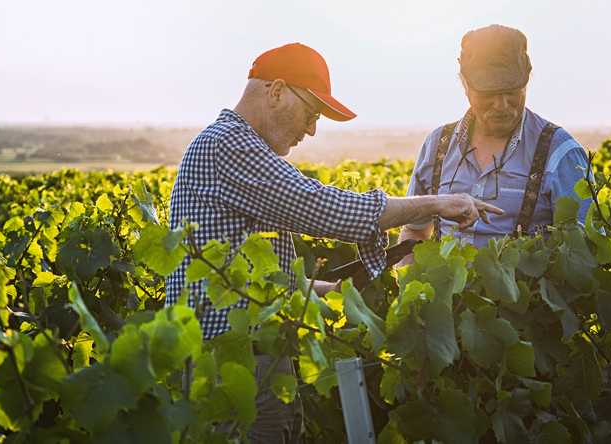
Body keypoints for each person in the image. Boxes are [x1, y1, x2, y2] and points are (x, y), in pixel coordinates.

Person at [165, 43, 503, 444]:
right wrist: (436, 204)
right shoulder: (229, 145)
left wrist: (317, 289)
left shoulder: (234, 148)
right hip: (233, 373)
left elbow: (242, 278)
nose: (310, 130)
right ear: (275, 92)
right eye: (310, 114)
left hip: (250, 366)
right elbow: (324, 209)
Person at [398, 25, 591, 263]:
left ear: (527, 80)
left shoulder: (560, 153)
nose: (501, 105)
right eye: (487, 94)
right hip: (445, 300)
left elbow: (584, 253)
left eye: (512, 91)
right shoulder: (436, 145)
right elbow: (415, 231)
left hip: (527, 300)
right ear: (464, 85)